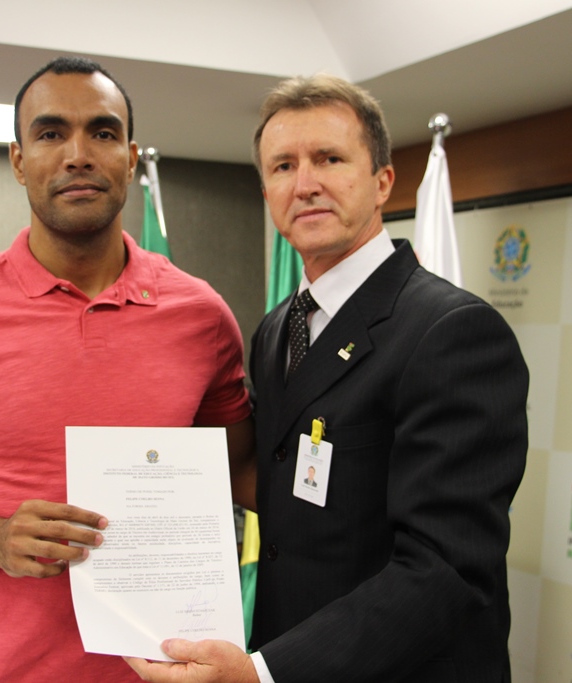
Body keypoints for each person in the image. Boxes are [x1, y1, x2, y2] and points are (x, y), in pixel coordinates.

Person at [126, 75, 528, 683]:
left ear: (382, 181)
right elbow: (287, 495)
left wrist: (264, 673)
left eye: (329, 159)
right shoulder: (276, 331)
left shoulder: (453, 331)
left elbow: (445, 569)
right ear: (267, 191)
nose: (305, 183)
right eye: (283, 166)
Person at [0, 56, 254, 683]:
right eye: (51, 133)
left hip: (170, 671)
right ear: (19, 161)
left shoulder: (201, 316)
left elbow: (237, 472)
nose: (78, 155)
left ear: (130, 158)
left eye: (102, 133)